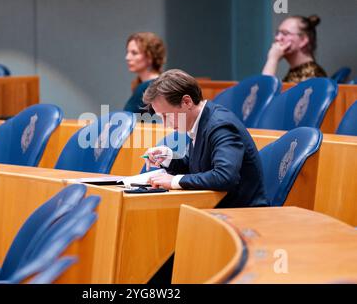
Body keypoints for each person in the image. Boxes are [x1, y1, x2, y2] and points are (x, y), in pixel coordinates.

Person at [143, 69, 268, 208]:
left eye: (167, 115)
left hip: (243, 213)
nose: (166, 124)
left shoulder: (220, 125)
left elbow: (224, 176)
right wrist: (168, 158)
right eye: (162, 118)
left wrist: (174, 181)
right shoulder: (200, 120)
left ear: (187, 102)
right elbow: (197, 167)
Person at [262, 15, 327, 83]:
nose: (277, 38)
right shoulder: (296, 72)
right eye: (277, 33)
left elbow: (264, 91)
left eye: (285, 33)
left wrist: (272, 59)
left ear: (303, 40)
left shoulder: (312, 76)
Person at [123, 32, 166, 114]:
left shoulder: (147, 87)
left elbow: (124, 118)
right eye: (127, 52)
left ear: (150, 56)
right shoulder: (158, 84)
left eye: (134, 53)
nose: (127, 58)